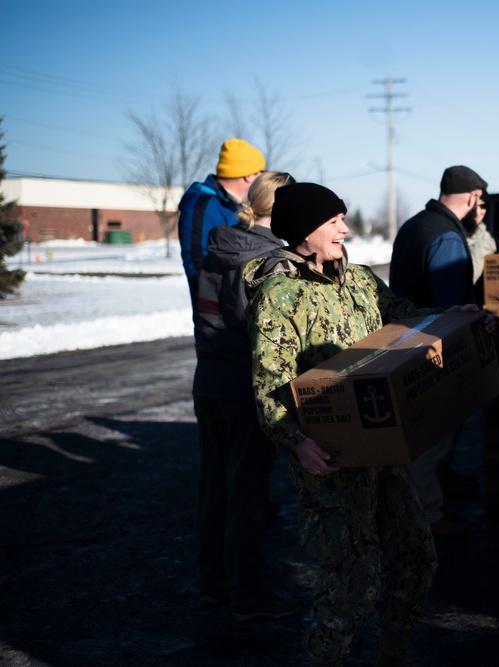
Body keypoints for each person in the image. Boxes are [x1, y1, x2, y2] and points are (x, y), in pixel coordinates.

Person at [245, 182, 491, 667]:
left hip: (382, 452)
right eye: (334, 220)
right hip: (331, 462)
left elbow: (403, 319)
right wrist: (295, 442)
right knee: (351, 581)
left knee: (416, 556)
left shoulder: (358, 280)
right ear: (304, 230)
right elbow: (267, 385)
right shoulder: (279, 296)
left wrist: (450, 317)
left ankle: (394, 654)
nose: (346, 228)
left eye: (343, 218)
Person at [192, 171, 300, 622]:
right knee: (247, 493)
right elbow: (255, 329)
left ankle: (212, 583)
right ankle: (250, 595)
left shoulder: (223, 245)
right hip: (242, 385)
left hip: (208, 380)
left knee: (214, 486)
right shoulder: (265, 259)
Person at [389, 165, 488, 536]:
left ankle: (422, 510)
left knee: (419, 439)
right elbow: (450, 307)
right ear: (473, 196)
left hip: (406, 341)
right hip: (432, 351)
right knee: (430, 442)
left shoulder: (418, 224)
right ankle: (425, 518)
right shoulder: (446, 236)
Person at [178, 138, 266, 317]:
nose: (263, 178)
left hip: (238, 315)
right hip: (219, 323)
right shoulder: (203, 205)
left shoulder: (232, 205)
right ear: (248, 175)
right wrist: (228, 301)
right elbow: (197, 263)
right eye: (261, 172)